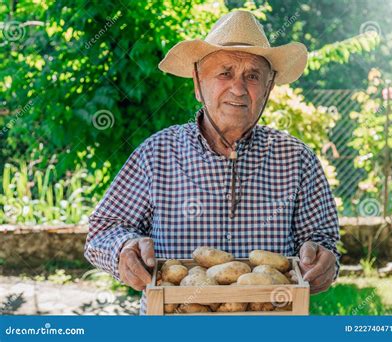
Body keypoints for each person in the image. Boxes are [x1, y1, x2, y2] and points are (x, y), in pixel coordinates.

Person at [84, 10, 340, 315]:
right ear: (197, 83)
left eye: (253, 76)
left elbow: (323, 242)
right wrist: (123, 250)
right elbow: (103, 230)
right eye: (225, 73)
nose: (238, 88)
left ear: (268, 89)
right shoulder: (157, 154)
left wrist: (324, 260)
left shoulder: (298, 160)